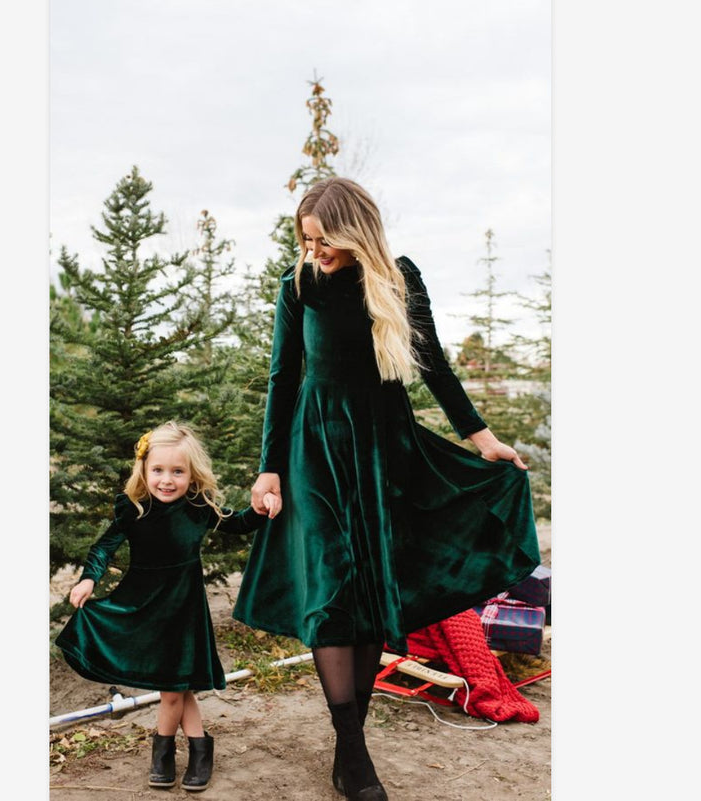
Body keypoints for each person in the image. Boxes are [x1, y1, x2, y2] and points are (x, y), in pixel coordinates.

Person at [232, 177, 541, 800]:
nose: (313, 250)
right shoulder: (298, 286)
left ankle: (350, 751)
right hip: (314, 452)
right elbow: (282, 379)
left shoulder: (398, 277)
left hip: (383, 451)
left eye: (322, 239)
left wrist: (481, 439)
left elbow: (431, 365)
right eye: (306, 239)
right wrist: (270, 467)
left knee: (371, 591)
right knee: (330, 593)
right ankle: (353, 751)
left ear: (353, 230)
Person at [56, 421, 278, 792]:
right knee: (178, 686)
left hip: (183, 610)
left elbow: (238, 524)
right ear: (143, 469)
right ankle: (200, 748)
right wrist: (88, 578)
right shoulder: (134, 508)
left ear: (192, 474)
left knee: (173, 689)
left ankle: (162, 753)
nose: (166, 480)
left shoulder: (198, 507)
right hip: (143, 606)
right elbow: (103, 547)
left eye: (177, 471)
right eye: (158, 470)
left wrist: (260, 507)